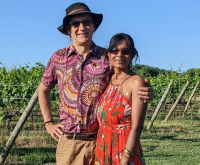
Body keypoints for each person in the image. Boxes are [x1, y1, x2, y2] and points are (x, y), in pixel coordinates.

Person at [38, 2, 153, 165]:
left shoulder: (107, 58)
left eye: (86, 22)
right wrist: (48, 123)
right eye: (75, 24)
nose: (81, 27)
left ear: (93, 27)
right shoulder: (58, 58)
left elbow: (127, 79)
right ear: (69, 30)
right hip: (69, 144)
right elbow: (43, 90)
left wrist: (146, 90)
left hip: (100, 142)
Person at [95, 33, 147, 165]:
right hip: (103, 148)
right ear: (109, 54)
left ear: (132, 55)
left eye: (125, 51)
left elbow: (137, 126)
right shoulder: (108, 79)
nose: (119, 55)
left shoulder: (136, 82)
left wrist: (125, 159)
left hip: (124, 151)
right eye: (114, 50)